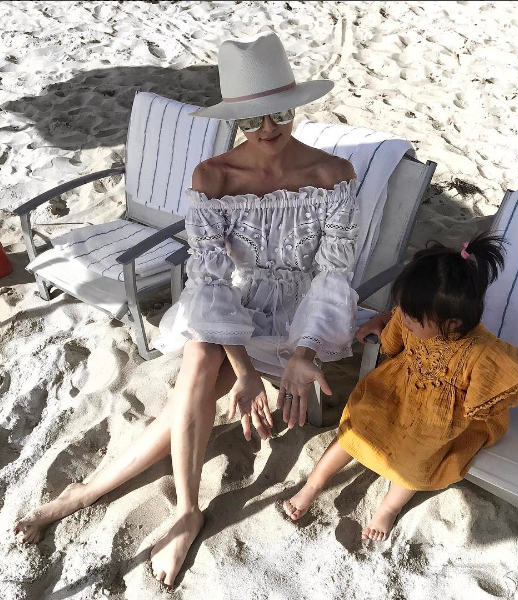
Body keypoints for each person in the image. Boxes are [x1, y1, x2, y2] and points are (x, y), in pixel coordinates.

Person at [14, 32, 358, 587]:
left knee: (187, 395)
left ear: (295, 105)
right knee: (202, 356)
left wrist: (305, 350)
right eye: (251, 120)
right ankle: (186, 511)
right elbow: (211, 283)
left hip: (303, 318)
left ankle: (92, 490)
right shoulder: (213, 178)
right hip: (233, 311)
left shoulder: (333, 174)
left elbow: (334, 275)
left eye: (280, 113)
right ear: (234, 119)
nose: (267, 130)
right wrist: (244, 371)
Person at [284, 232, 518, 541]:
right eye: (402, 310)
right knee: (355, 428)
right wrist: (383, 319)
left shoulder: (483, 350)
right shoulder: (418, 315)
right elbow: (398, 323)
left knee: (418, 459)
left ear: (451, 324)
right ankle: (312, 485)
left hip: (439, 418)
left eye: (411, 318)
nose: (403, 320)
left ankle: (389, 508)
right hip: (396, 392)